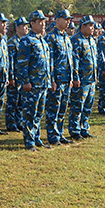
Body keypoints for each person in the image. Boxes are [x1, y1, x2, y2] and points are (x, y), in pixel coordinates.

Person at [15, 10, 53, 151]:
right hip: (31, 85)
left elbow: (46, 63)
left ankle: (36, 138)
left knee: (38, 113)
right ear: (32, 23)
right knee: (29, 114)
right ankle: (29, 141)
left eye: (44, 22)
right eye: (40, 22)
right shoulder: (26, 41)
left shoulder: (42, 40)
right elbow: (22, 63)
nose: (43, 24)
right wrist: (25, 81)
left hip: (42, 84)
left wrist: (48, 81)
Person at [45, 9, 73, 145]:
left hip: (67, 79)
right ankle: (52, 135)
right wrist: (51, 80)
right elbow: (49, 61)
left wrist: (72, 77)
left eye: (69, 20)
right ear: (57, 20)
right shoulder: (51, 38)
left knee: (62, 109)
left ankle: (60, 133)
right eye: (66, 19)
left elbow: (70, 60)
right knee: (53, 109)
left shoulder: (66, 38)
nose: (68, 22)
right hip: (57, 80)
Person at [69, 15, 97, 140]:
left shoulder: (91, 40)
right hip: (82, 79)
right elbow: (75, 60)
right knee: (77, 106)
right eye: (90, 25)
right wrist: (75, 77)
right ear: (83, 26)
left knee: (88, 106)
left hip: (91, 79)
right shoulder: (76, 40)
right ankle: (75, 130)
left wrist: (95, 76)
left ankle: (84, 128)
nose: (93, 28)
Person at [5, 17, 28, 133]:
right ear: (17, 28)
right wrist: (11, 77)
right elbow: (10, 62)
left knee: (20, 101)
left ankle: (19, 122)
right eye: (24, 26)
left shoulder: (25, 42)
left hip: (22, 77)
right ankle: (10, 123)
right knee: (12, 101)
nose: (27, 28)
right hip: (15, 76)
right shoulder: (12, 43)